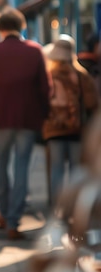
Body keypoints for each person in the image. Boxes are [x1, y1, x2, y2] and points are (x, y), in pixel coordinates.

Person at [0, 6, 51, 240]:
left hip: (0, 117)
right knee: (22, 167)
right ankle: (14, 220)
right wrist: (44, 113)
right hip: (28, 118)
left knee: (2, 165)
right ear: (22, 27)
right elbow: (45, 88)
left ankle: (4, 210)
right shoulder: (34, 50)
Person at [42, 34, 99, 205]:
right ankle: (74, 206)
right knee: (76, 170)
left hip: (53, 129)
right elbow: (91, 103)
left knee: (56, 169)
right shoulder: (82, 75)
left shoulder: (48, 75)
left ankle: (57, 207)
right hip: (76, 129)